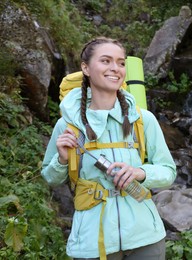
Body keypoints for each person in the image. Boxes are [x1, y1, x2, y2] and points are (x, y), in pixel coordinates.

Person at [41, 37, 177, 260]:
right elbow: (50, 178)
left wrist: (140, 173)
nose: (115, 68)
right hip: (92, 241)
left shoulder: (143, 120)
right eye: (106, 61)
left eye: (121, 63)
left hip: (146, 238)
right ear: (85, 68)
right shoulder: (67, 125)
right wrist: (62, 160)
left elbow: (168, 171)